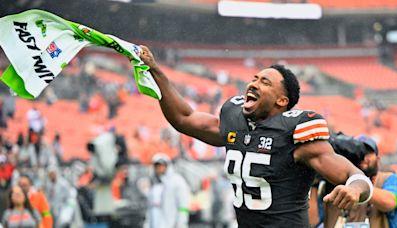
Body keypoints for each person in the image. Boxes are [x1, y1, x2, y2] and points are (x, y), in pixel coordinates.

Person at [139, 46, 374, 227]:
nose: (253, 83)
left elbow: (353, 175)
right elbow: (184, 119)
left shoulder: (296, 133)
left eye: (265, 82)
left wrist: (354, 189)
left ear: (282, 101)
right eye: (254, 78)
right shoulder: (235, 122)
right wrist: (155, 71)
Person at [147, 153, 190, 228]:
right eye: (157, 166)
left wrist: (181, 223)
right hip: (155, 222)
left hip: (171, 223)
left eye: (162, 165)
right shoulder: (154, 183)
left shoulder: (177, 181)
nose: (159, 168)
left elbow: (183, 205)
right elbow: (150, 207)